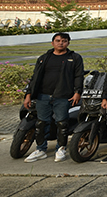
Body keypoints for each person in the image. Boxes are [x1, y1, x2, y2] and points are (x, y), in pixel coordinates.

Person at [23, 32, 84, 163]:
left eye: (64, 40)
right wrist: (28, 94)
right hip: (43, 95)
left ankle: (60, 148)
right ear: (52, 43)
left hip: (63, 96)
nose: (61, 43)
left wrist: (77, 92)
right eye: (58, 40)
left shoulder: (74, 58)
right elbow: (35, 78)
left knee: (62, 123)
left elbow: (79, 76)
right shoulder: (44, 58)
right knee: (41, 123)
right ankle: (40, 149)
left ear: (68, 43)